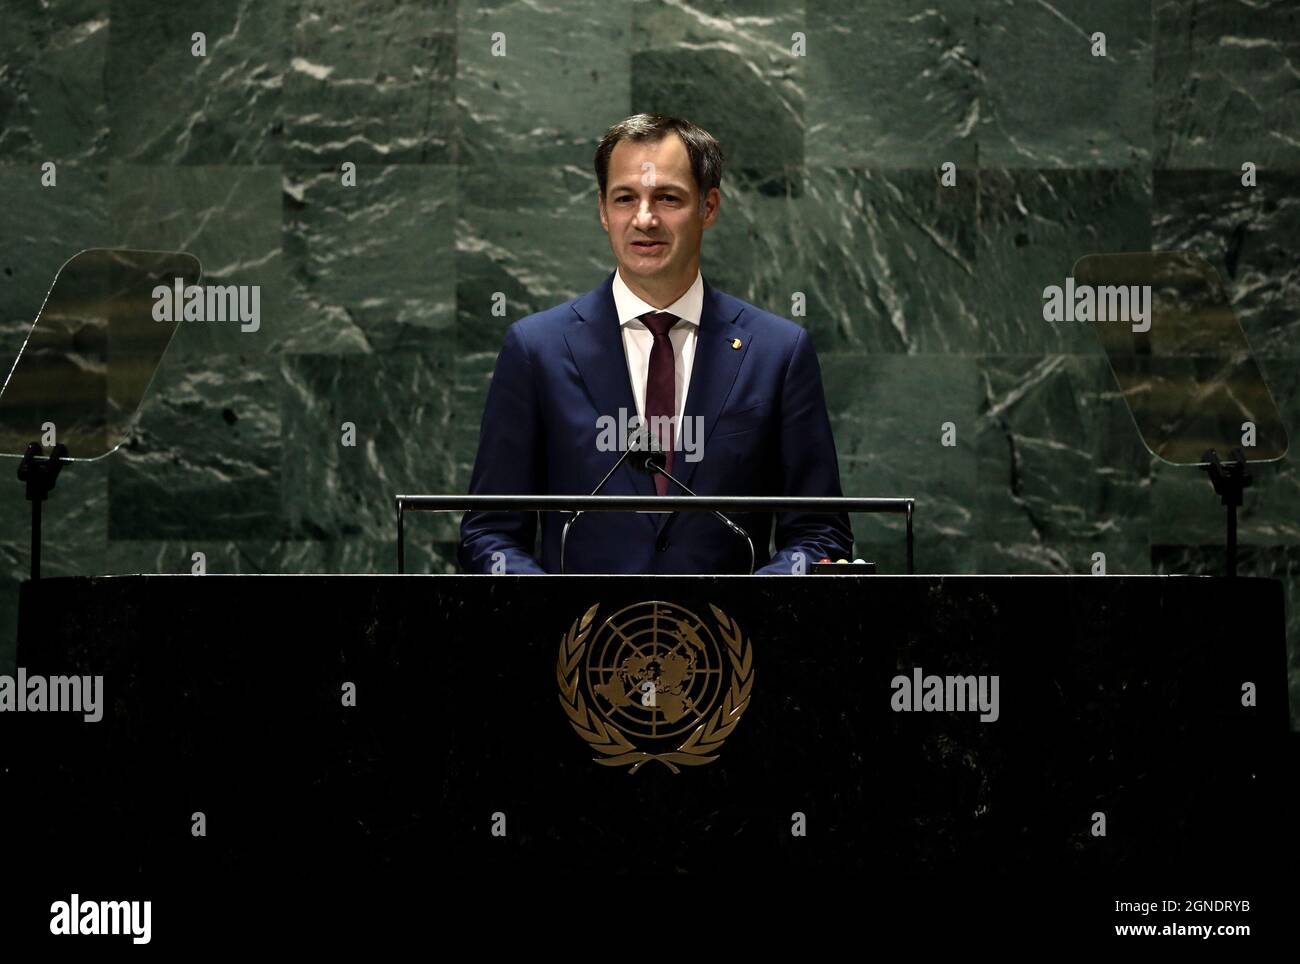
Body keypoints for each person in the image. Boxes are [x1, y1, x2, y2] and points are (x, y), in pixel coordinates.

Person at [458, 113, 852, 574]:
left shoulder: (778, 353)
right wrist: (552, 613)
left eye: (667, 198)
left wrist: (751, 606)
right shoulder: (537, 349)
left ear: (708, 207)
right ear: (603, 210)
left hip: (728, 641)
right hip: (580, 640)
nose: (645, 219)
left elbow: (820, 532)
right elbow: (490, 533)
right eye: (626, 198)